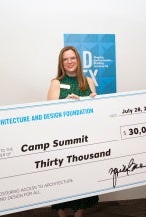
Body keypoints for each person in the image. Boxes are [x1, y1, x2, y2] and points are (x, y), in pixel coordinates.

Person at [47, 46, 98, 217]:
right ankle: (61, 213)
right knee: (62, 177)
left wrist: (88, 102)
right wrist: (65, 103)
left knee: (82, 175)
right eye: (65, 59)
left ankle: (79, 212)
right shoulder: (56, 82)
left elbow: (96, 110)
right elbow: (48, 111)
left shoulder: (88, 81)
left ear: (78, 60)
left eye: (72, 58)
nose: (69, 62)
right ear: (61, 63)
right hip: (62, 139)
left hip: (85, 138)